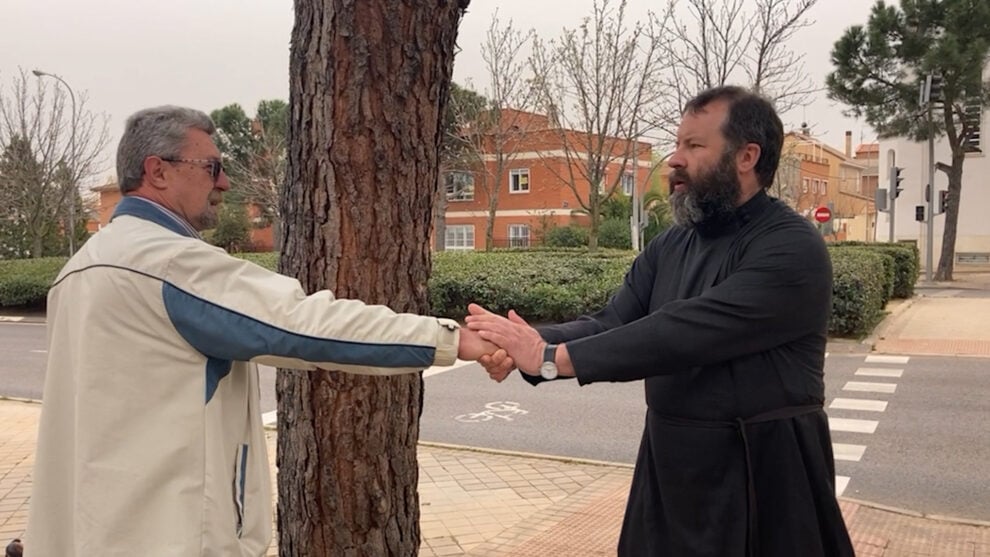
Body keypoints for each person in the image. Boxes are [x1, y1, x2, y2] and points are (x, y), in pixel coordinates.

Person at [25, 106, 498, 556]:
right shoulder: (168, 265)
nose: (225, 183)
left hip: (93, 529)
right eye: (212, 167)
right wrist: (454, 340)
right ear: (158, 170)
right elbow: (305, 326)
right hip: (170, 535)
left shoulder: (78, 269)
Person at [468, 86, 855, 556]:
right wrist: (519, 341)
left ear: (746, 156)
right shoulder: (672, 244)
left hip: (763, 477)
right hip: (671, 472)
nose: (674, 160)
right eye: (677, 145)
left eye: (694, 146)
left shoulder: (791, 247)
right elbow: (612, 321)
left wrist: (551, 359)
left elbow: (682, 332)